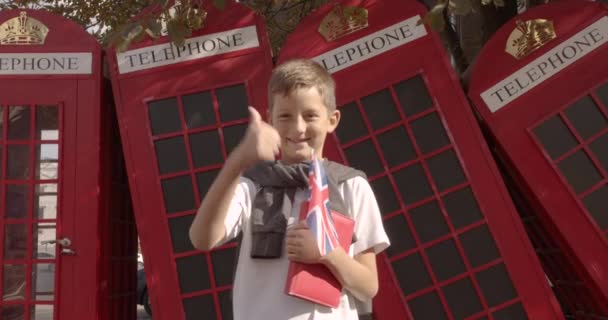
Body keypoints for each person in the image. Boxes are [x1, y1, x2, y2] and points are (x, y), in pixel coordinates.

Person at [189, 59, 390, 320]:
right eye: (285, 116)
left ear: (332, 119)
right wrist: (237, 162)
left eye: (310, 115)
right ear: (270, 119)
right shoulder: (252, 184)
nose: (298, 128)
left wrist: (329, 254)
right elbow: (201, 239)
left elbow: (368, 287)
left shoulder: (351, 186)